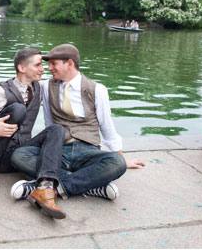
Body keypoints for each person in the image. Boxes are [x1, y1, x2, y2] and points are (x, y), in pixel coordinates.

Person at [11, 44, 145, 206]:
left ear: (69, 63)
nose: (49, 68)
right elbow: (49, 123)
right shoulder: (46, 87)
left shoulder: (97, 89)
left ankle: (46, 186)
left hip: (87, 151)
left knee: (117, 163)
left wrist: (122, 158)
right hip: (58, 150)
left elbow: (107, 127)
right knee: (19, 155)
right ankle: (89, 186)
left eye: (54, 64)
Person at [0, 47, 67, 219]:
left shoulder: (40, 88)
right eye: (38, 65)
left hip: (19, 153)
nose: (42, 69)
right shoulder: (1, 91)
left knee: (57, 129)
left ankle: (44, 189)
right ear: (22, 68)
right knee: (17, 110)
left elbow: (66, 80)